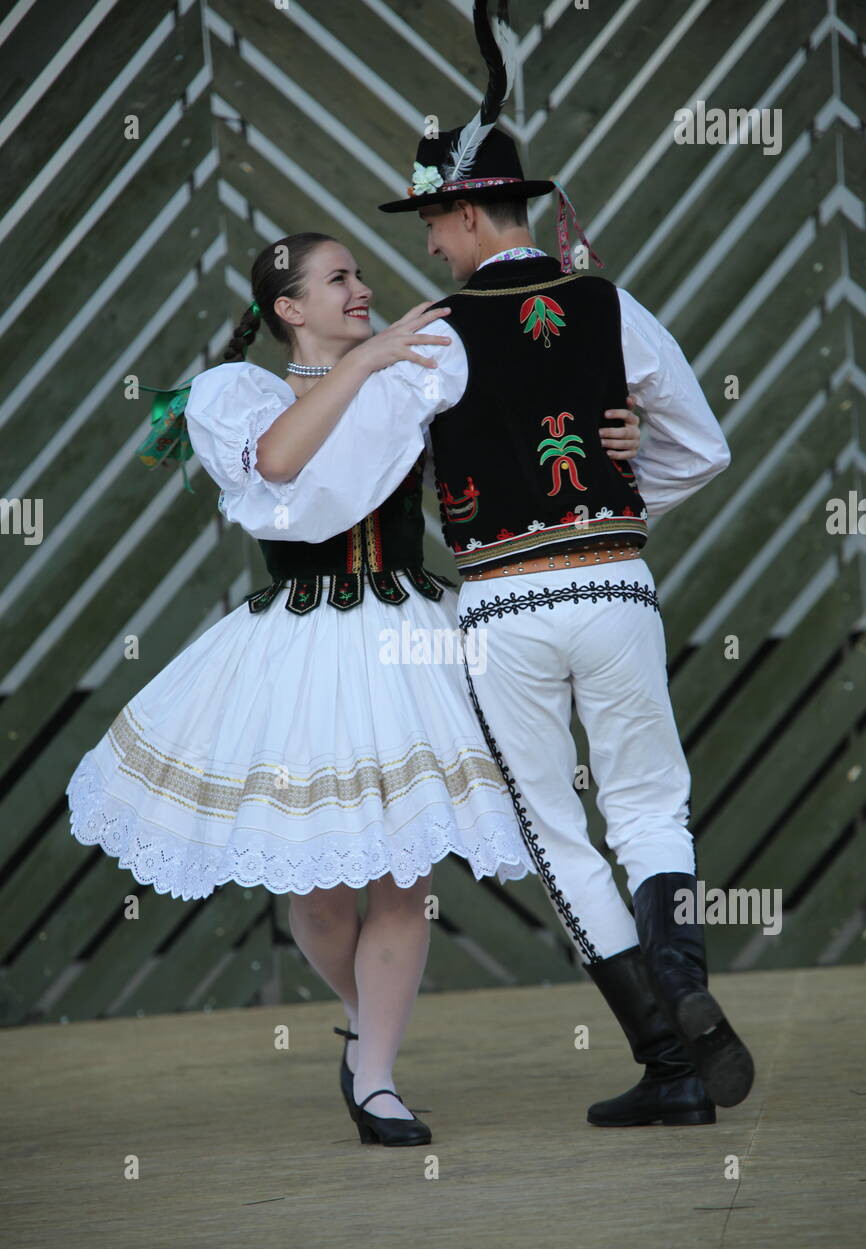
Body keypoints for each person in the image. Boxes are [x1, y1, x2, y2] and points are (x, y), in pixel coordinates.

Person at [234, 0, 755, 1126]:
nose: (424, 245)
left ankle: (668, 1065)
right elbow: (702, 448)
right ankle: (679, 978)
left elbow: (349, 474)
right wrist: (622, 483)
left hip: (503, 612)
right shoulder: (609, 301)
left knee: (556, 834)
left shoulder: (431, 338)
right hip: (616, 587)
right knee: (650, 806)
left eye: (433, 221)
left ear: (470, 213)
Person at [65, 230, 642, 1147]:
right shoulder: (238, 393)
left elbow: (519, 428)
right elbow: (283, 463)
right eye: (339, 280)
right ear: (289, 310)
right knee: (324, 896)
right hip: (298, 644)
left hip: (409, 638)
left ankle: (376, 1082)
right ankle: (364, 1023)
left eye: (360, 275)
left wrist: (622, 432)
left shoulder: (412, 379)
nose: (362, 289)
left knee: (402, 880)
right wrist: (369, 358)